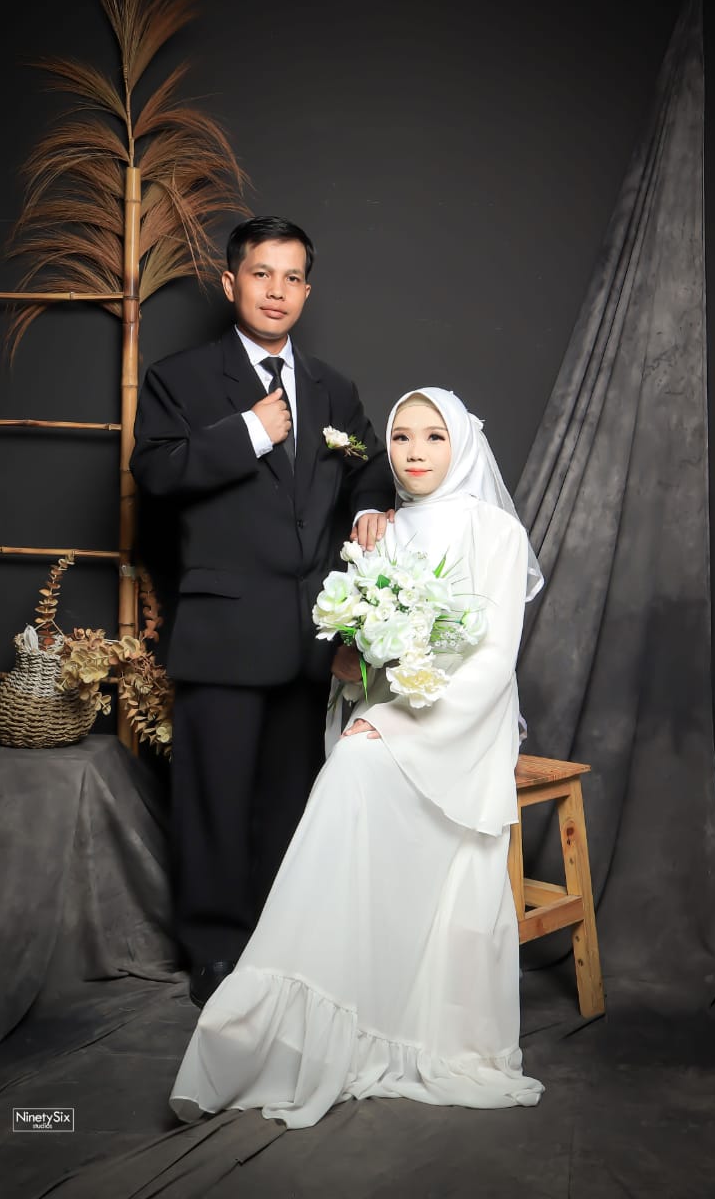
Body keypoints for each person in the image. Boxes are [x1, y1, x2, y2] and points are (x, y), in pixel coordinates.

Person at [168, 386, 546, 1129]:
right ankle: (296, 1007)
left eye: (433, 437)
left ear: (462, 444)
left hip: (463, 720)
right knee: (350, 763)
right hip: (387, 709)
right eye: (401, 437)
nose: (414, 452)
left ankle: (347, 1003)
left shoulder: (494, 531)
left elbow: (493, 659)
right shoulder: (382, 532)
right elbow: (370, 652)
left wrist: (401, 725)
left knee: (352, 767)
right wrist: (354, 666)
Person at [129, 216, 395, 1008]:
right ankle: (214, 953)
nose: (276, 291)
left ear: (306, 290)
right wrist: (248, 429)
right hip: (221, 629)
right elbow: (155, 473)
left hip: (308, 633)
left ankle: (280, 950)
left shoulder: (331, 387)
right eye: (260, 274)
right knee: (213, 799)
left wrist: (368, 509)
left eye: (292, 278)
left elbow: (367, 465)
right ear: (230, 283)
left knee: (290, 798)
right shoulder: (179, 378)